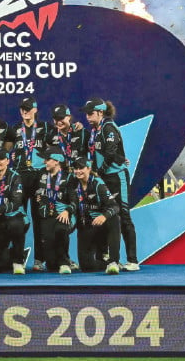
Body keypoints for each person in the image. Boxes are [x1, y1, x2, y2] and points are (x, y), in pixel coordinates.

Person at [83, 97, 139, 271]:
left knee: (123, 215)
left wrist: (99, 172)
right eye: (86, 114)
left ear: (100, 112)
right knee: (104, 215)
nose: (87, 117)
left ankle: (133, 260)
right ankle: (105, 257)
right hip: (104, 178)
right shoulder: (94, 130)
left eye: (90, 113)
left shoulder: (108, 127)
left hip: (116, 177)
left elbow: (110, 152)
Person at [5, 96, 50, 270]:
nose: (25, 111)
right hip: (20, 178)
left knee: (39, 220)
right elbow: (5, 150)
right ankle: (17, 258)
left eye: (28, 108)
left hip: (39, 177)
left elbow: (58, 143)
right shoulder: (15, 129)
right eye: (23, 108)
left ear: (35, 109)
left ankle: (39, 260)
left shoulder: (45, 128)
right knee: (19, 220)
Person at [69, 157, 121, 274]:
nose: (78, 171)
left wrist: (104, 216)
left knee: (115, 219)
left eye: (81, 168)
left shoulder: (98, 184)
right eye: (75, 168)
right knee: (86, 267)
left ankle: (113, 262)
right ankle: (105, 262)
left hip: (101, 224)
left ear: (88, 168)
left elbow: (115, 207)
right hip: (85, 226)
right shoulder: (73, 184)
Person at [34, 145, 76, 274]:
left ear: (57, 161)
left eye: (47, 159)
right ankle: (65, 261)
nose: (44, 162)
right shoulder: (41, 174)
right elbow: (38, 192)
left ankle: (65, 263)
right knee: (51, 265)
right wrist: (39, 197)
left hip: (63, 214)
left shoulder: (69, 177)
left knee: (60, 229)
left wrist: (67, 211)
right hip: (47, 216)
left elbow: (76, 200)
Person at [47, 104, 87, 168]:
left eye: (61, 118)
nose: (59, 122)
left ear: (69, 117)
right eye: (56, 119)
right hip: (61, 174)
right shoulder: (51, 134)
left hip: (78, 172)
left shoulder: (81, 132)